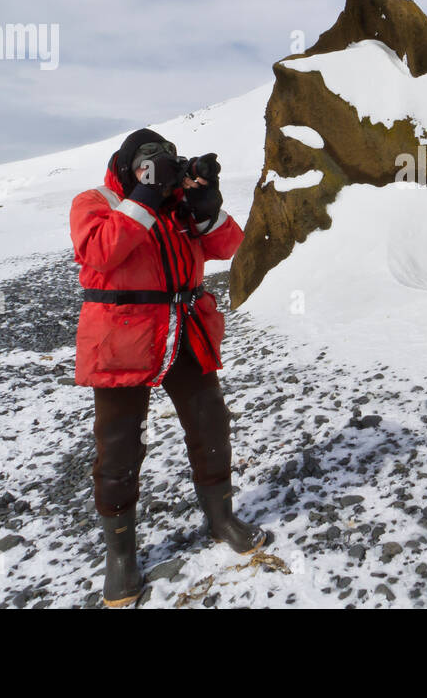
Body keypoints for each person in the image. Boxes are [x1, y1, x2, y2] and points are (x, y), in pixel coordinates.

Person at [69, 128, 266, 608]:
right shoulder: (94, 201)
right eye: (147, 164)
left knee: (209, 420)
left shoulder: (175, 205)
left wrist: (205, 207)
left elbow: (227, 246)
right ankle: (121, 560)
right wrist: (144, 196)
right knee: (118, 444)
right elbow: (98, 253)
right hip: (122, 333)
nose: (156, 172)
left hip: (185, 326)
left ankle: (221, 519)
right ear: (126, 167)